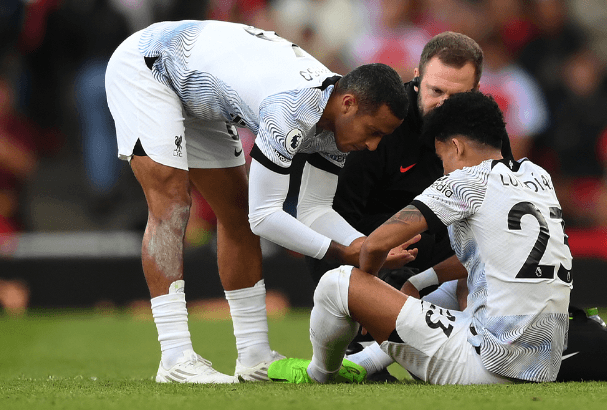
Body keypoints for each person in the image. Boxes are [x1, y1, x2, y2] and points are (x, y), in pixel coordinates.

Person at [105, 20, 413, 384]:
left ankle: (255, 357)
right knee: (173, 202)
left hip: (198, 86)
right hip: (149, 66)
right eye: (373, 132)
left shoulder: (337, 118)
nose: (374, 146)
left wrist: (365, 244)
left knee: (235, 210)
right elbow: (264, 217)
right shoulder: (292, 108)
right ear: (348, 104)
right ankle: (175, 358)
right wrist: (343, 252)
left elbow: (315, 211)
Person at [267, 91, 574, 385]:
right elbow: (498, 259)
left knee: (338, 282)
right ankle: (362, 363)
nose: (444, 169)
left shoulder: (465, 182)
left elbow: (375, 243)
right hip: (543, 364)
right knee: (455, 287)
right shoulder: (537, 176)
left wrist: (364, 295)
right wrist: (420, 280)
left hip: (489, 365)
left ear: (456, 147)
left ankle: (319, 374)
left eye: (442, 159)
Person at [307, 31, 483, 284]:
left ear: (476, 91)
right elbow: (333, 217)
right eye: (436, 91)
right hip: (365, 255)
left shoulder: (486, 131)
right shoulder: (380, 125)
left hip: (444, 261)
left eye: (457, 97)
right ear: (416, 79)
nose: (445, 104)